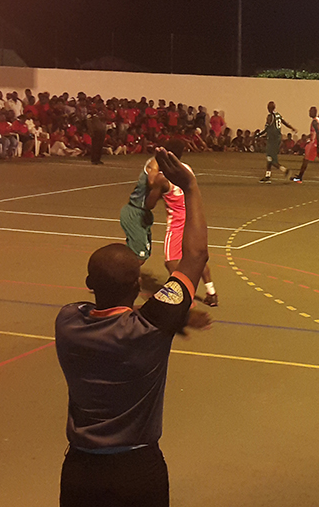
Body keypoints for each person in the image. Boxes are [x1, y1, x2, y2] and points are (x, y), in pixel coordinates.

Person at [55, 148, 212, 507]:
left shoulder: (67, 321)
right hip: (136, 466)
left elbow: (112, 302)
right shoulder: (148, 329)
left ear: (89, 284)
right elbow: (195, 257)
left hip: (81, 468)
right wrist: (191, 187)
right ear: (136, 287)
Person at [159, 141, 218, 306]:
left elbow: (150, 200)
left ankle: (181, 297)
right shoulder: (186, 169)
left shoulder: (163, 178)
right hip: (191, 218)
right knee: (196, 258)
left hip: (176, 223)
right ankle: (211, 292)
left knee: (171, 261)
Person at [119, 156, 168, 262]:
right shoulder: (154, 164)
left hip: (143, 214)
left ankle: (125, 273)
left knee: (142, 251)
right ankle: (124, 274)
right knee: (140, 254)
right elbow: (152, 182)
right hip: (134, 212)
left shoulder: (161, 167)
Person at [291, 106, 319, 185]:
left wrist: (317, 145)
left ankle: (300, 177)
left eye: (310, 111)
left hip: (314, 144)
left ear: (314, 112)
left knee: (306, 159)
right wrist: (308, 136)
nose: (309, 113)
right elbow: (317, 132)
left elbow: (317, 133)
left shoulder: (315, 121)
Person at [260, 101, 296, 183]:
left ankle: (285, 170)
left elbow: (267, 128)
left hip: (272, 139)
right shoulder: (278, 115)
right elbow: (285, 122)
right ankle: (267, 176)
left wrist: (258, 135)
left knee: (271, 159)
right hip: (278, 138)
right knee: (269, 157)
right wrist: (292, 128)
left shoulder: (270, 117)